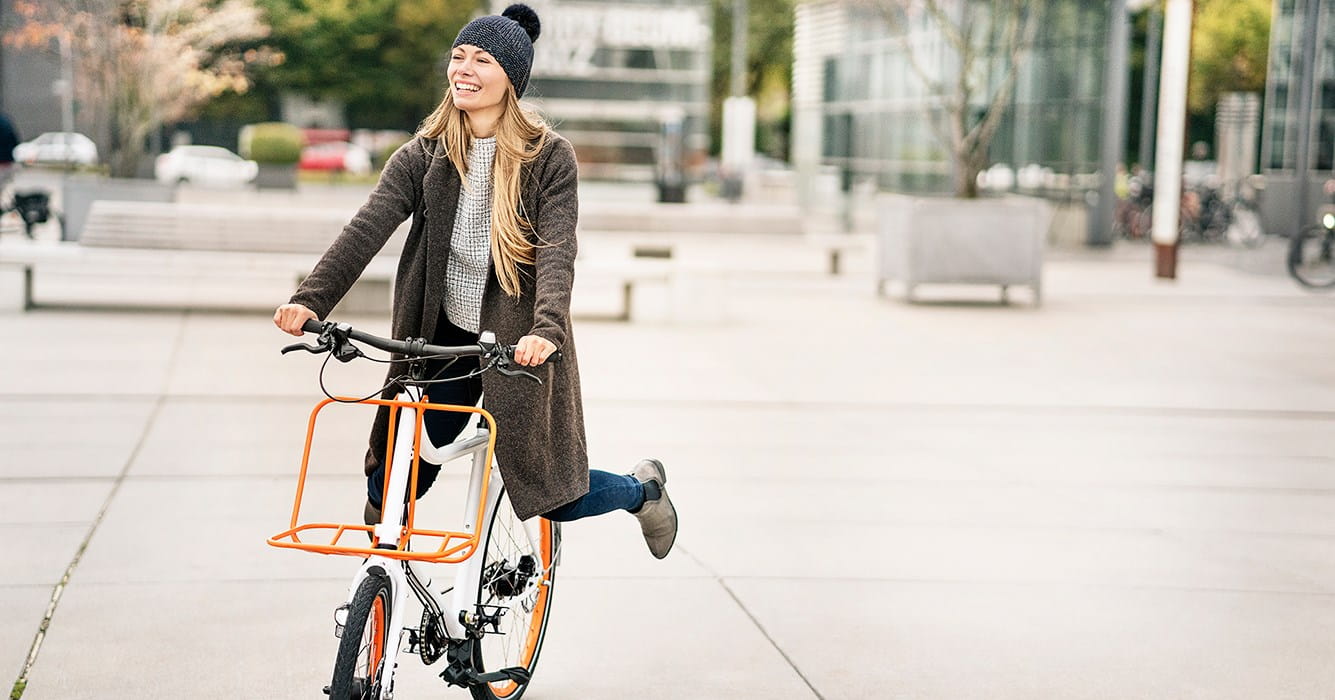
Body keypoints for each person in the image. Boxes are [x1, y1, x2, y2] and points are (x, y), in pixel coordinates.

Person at [273, 4, 677, 558]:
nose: (463, 67)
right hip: (439, 334)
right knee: (405, 461)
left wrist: (547, 330)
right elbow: (367, 227)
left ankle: (643, 492)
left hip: (517, 340)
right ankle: (382, 548)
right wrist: (309, 299)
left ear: (511, 78)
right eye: (458, 56)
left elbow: (559, 251)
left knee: (551, 493)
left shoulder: (548, 157)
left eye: (481, 59)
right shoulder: (423, 152)